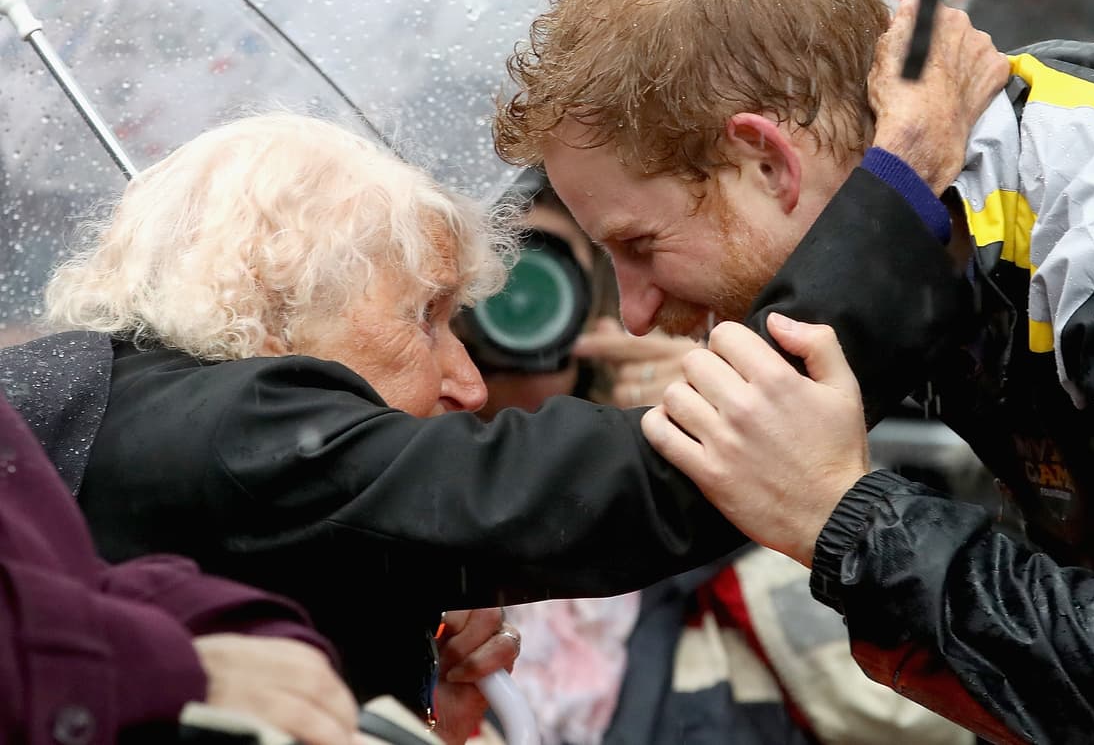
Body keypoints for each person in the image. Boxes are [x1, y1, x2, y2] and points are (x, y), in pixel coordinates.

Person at [492, 0, 1094, 744]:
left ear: (767, 161)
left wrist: (843, 516)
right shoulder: (951, 228)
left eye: (639, 246)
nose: (637, 313)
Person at [0, 111, 758, 742]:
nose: (468, 382)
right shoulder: (236, 430)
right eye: (426, 317)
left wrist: (409, 688)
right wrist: (879, 194)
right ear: (275, 310)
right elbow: (616, 491)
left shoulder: (144, 415)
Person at [463, 181, 970, 745]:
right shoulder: (395, 555)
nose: (503, 307)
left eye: (532, 274)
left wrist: (727, 446)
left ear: (596, 307)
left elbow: (920, 721)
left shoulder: (694, 454)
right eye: (469, 288)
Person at [0, 391, 359, 745]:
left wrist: (239, 625)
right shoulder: (261, 396)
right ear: (276, 338)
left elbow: (63, 571)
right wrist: (179, 669)